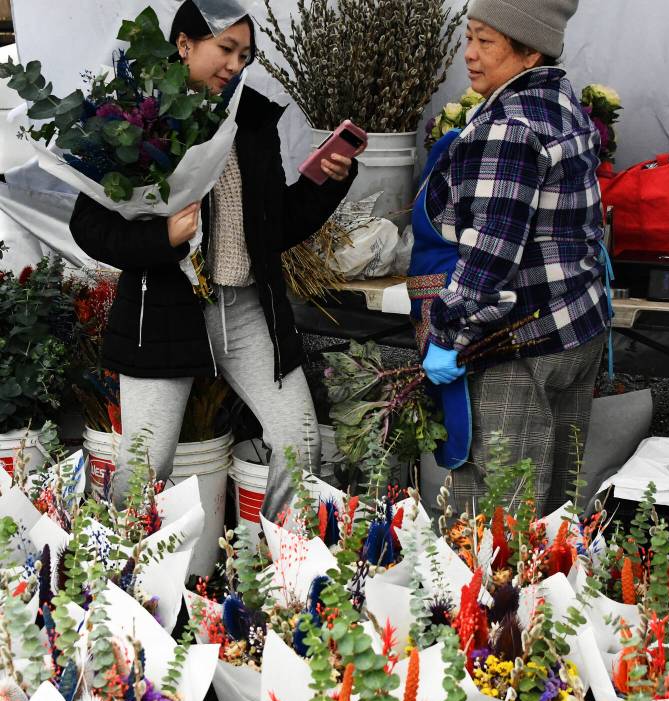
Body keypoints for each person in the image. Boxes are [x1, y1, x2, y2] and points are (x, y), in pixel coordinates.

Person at [69, 0, 357, 520]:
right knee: (144, 465)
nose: (235, 65)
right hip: (164, 314)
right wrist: (163, 236)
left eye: (244, 55)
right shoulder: (135, 123)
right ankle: (103, 583)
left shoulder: (251, 120)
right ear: (184, 45)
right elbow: (89, 227)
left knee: (300, 441)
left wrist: (328, 185)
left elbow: (277, 227)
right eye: (226, 49)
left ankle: (281, 576)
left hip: (247, 310)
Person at [411, 0, 609, 515]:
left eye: (486, 42)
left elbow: (489, 255)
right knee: (553, 512)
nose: (470, 55)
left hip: (521, 348)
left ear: (530, 51)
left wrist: (446, 336)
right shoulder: (561, 104)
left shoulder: (507, 126)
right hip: (576, 328)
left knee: (494, 522)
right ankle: (550, 596)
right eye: (470, 37)